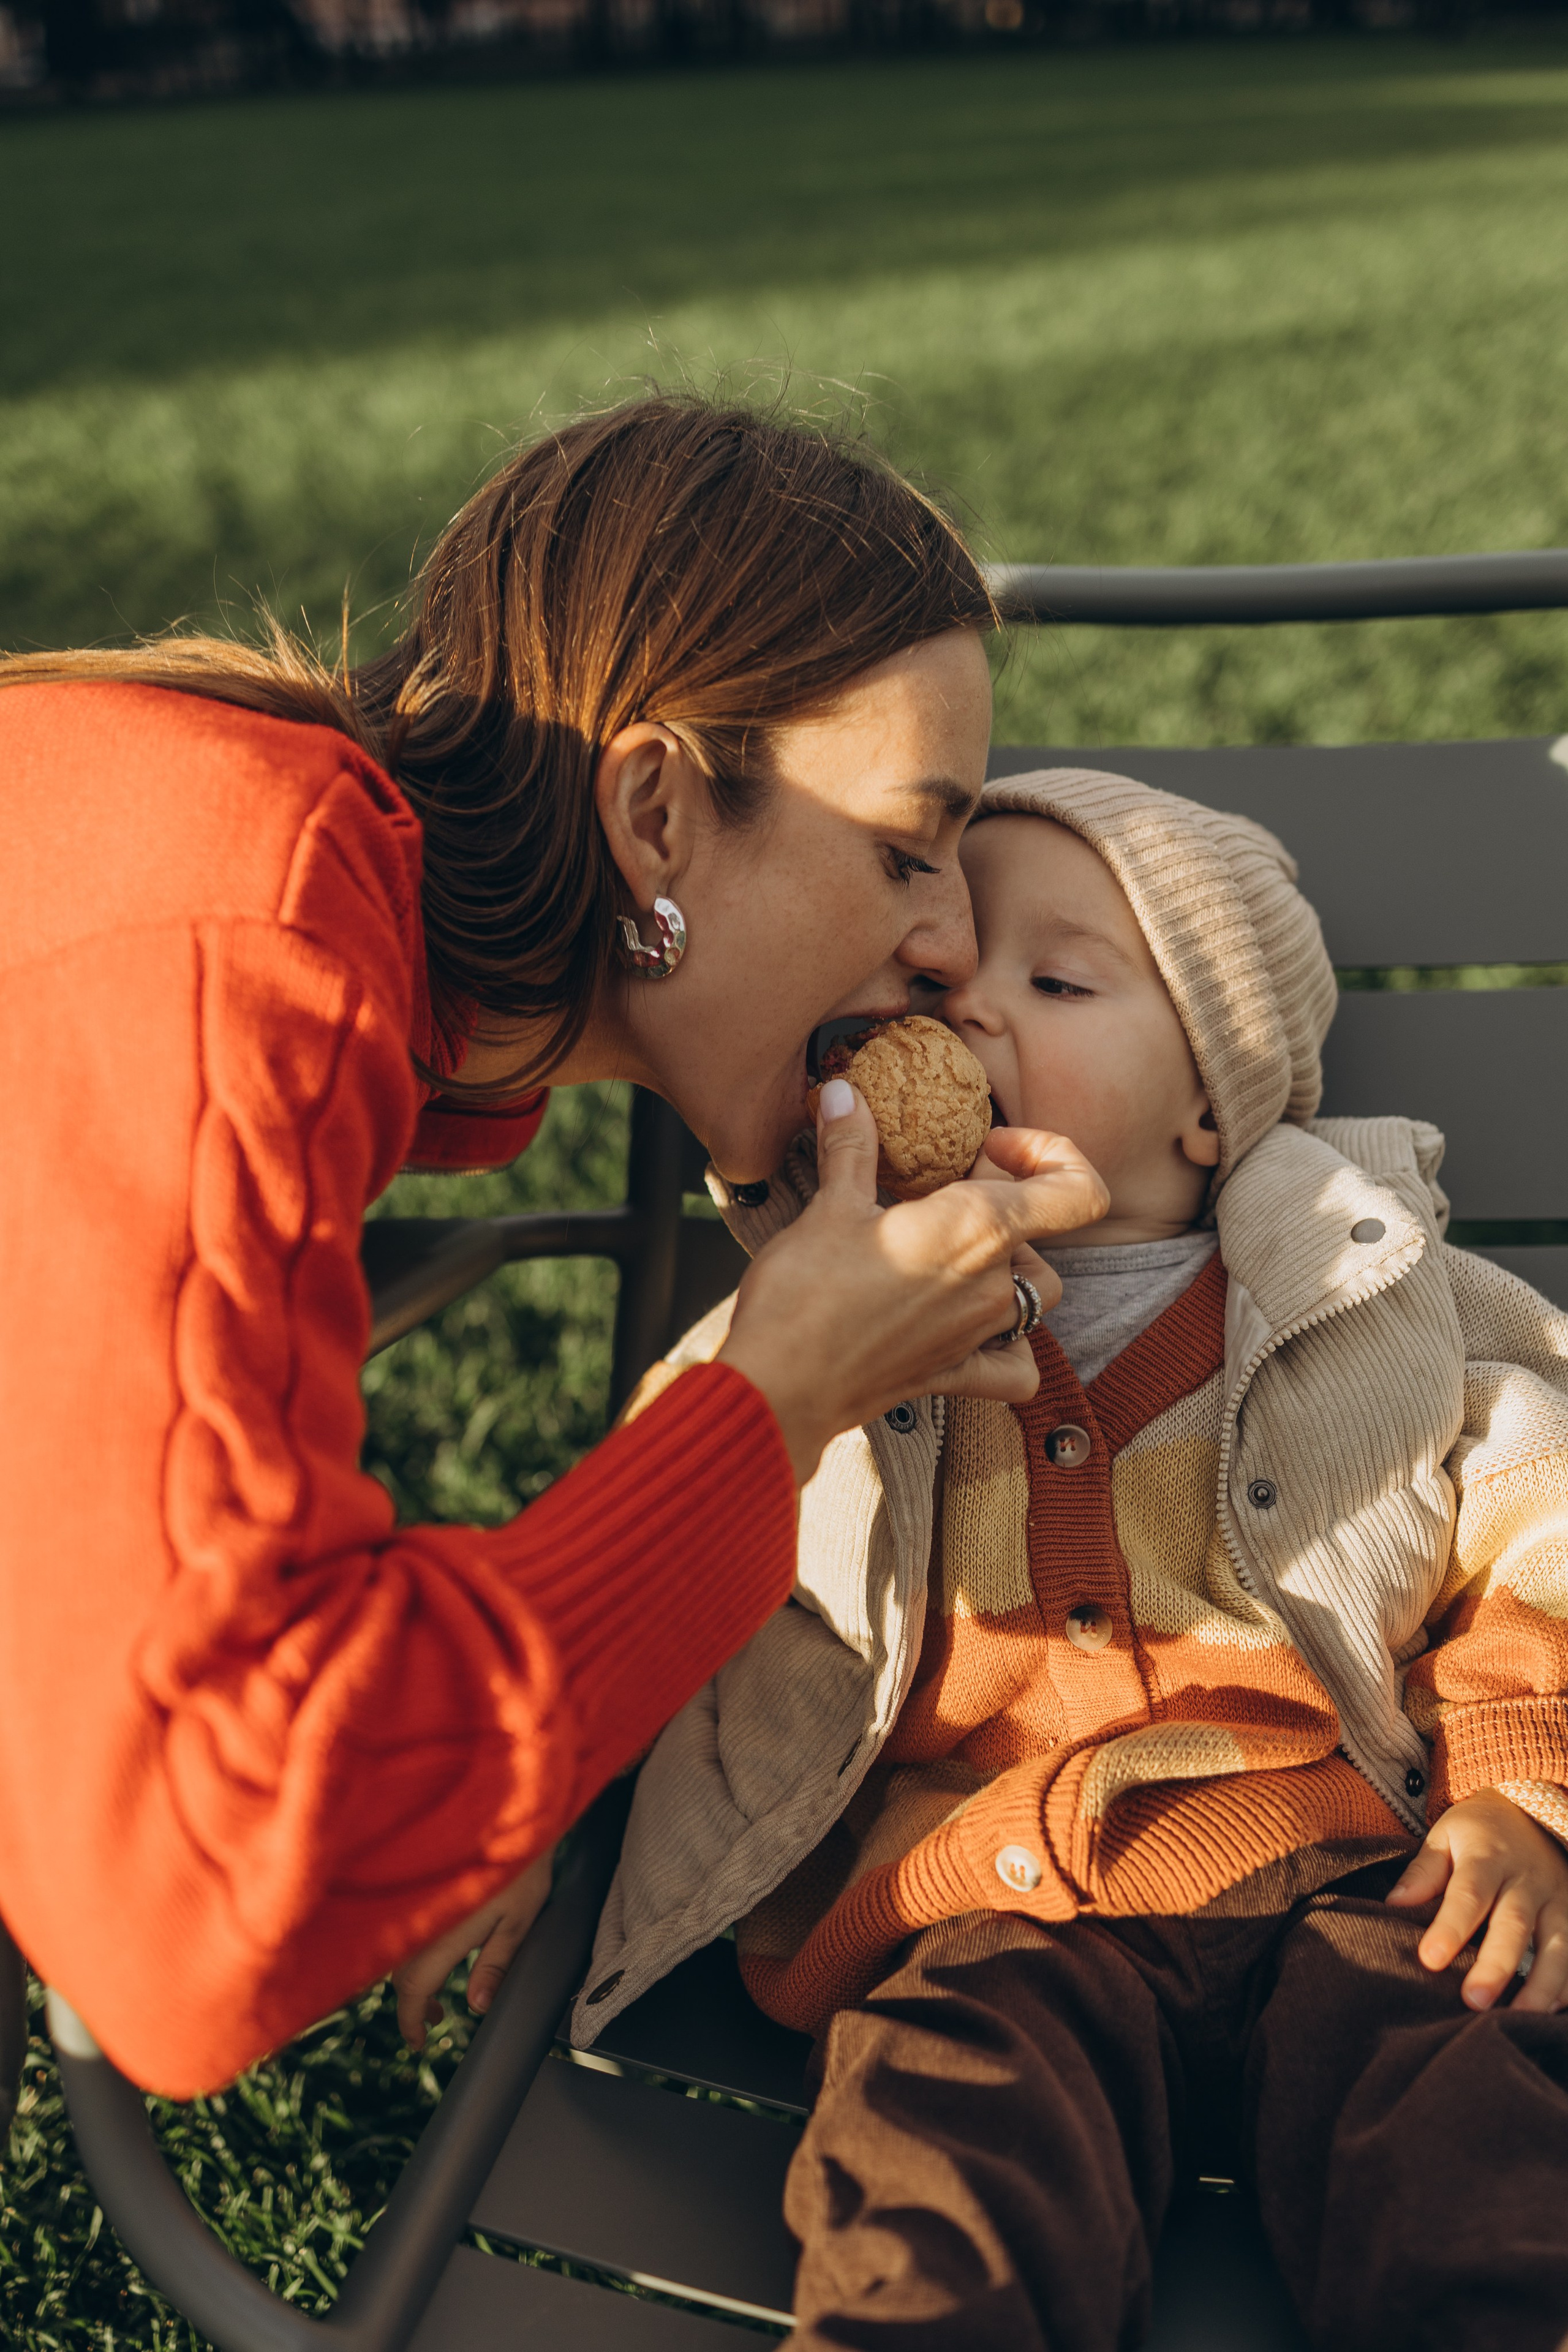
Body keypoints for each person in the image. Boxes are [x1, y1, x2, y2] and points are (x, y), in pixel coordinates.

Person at [0, 397, 1109, 2098]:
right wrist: (775, 1398)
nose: (951, 947)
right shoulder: (242, 925)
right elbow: (195, 1905)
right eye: (903, 849)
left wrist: (497, 1756)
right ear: (656, 813)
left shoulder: (269, 881)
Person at [576, 766, 1568, 2352]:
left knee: (1448, 2086)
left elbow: (1547, 1517)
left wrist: (1515, 1783)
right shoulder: (827, 1323)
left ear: (1212, 1095)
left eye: (1056, 980)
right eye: (936, 980)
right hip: (993, 1884)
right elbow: (658, 1540)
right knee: (942, 2125)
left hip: (1348, 1863)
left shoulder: (1385, 1304)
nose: (965, 1016)